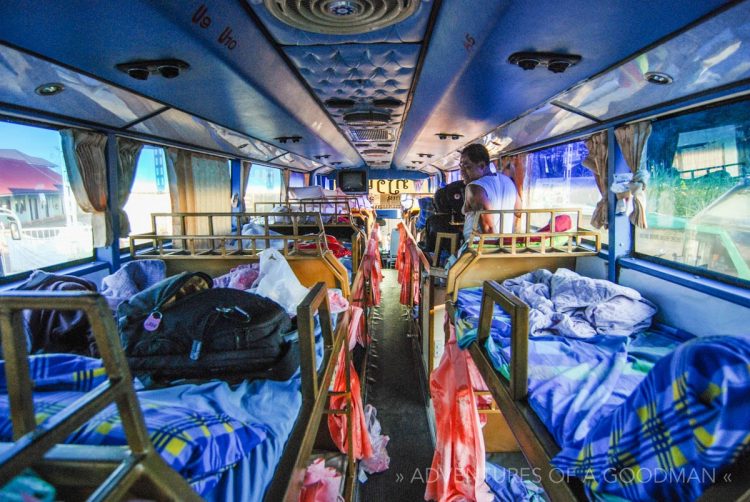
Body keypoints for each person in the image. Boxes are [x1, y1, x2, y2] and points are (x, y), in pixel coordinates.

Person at [459, 144, 518, 240]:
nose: (462, 171)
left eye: (467, 167)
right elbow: (518, 211)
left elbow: (488, 229)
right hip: (504, 244)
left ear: (482, 165)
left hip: (478, 249)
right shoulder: (508, 181)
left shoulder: (475, 187)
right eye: (460, 166)